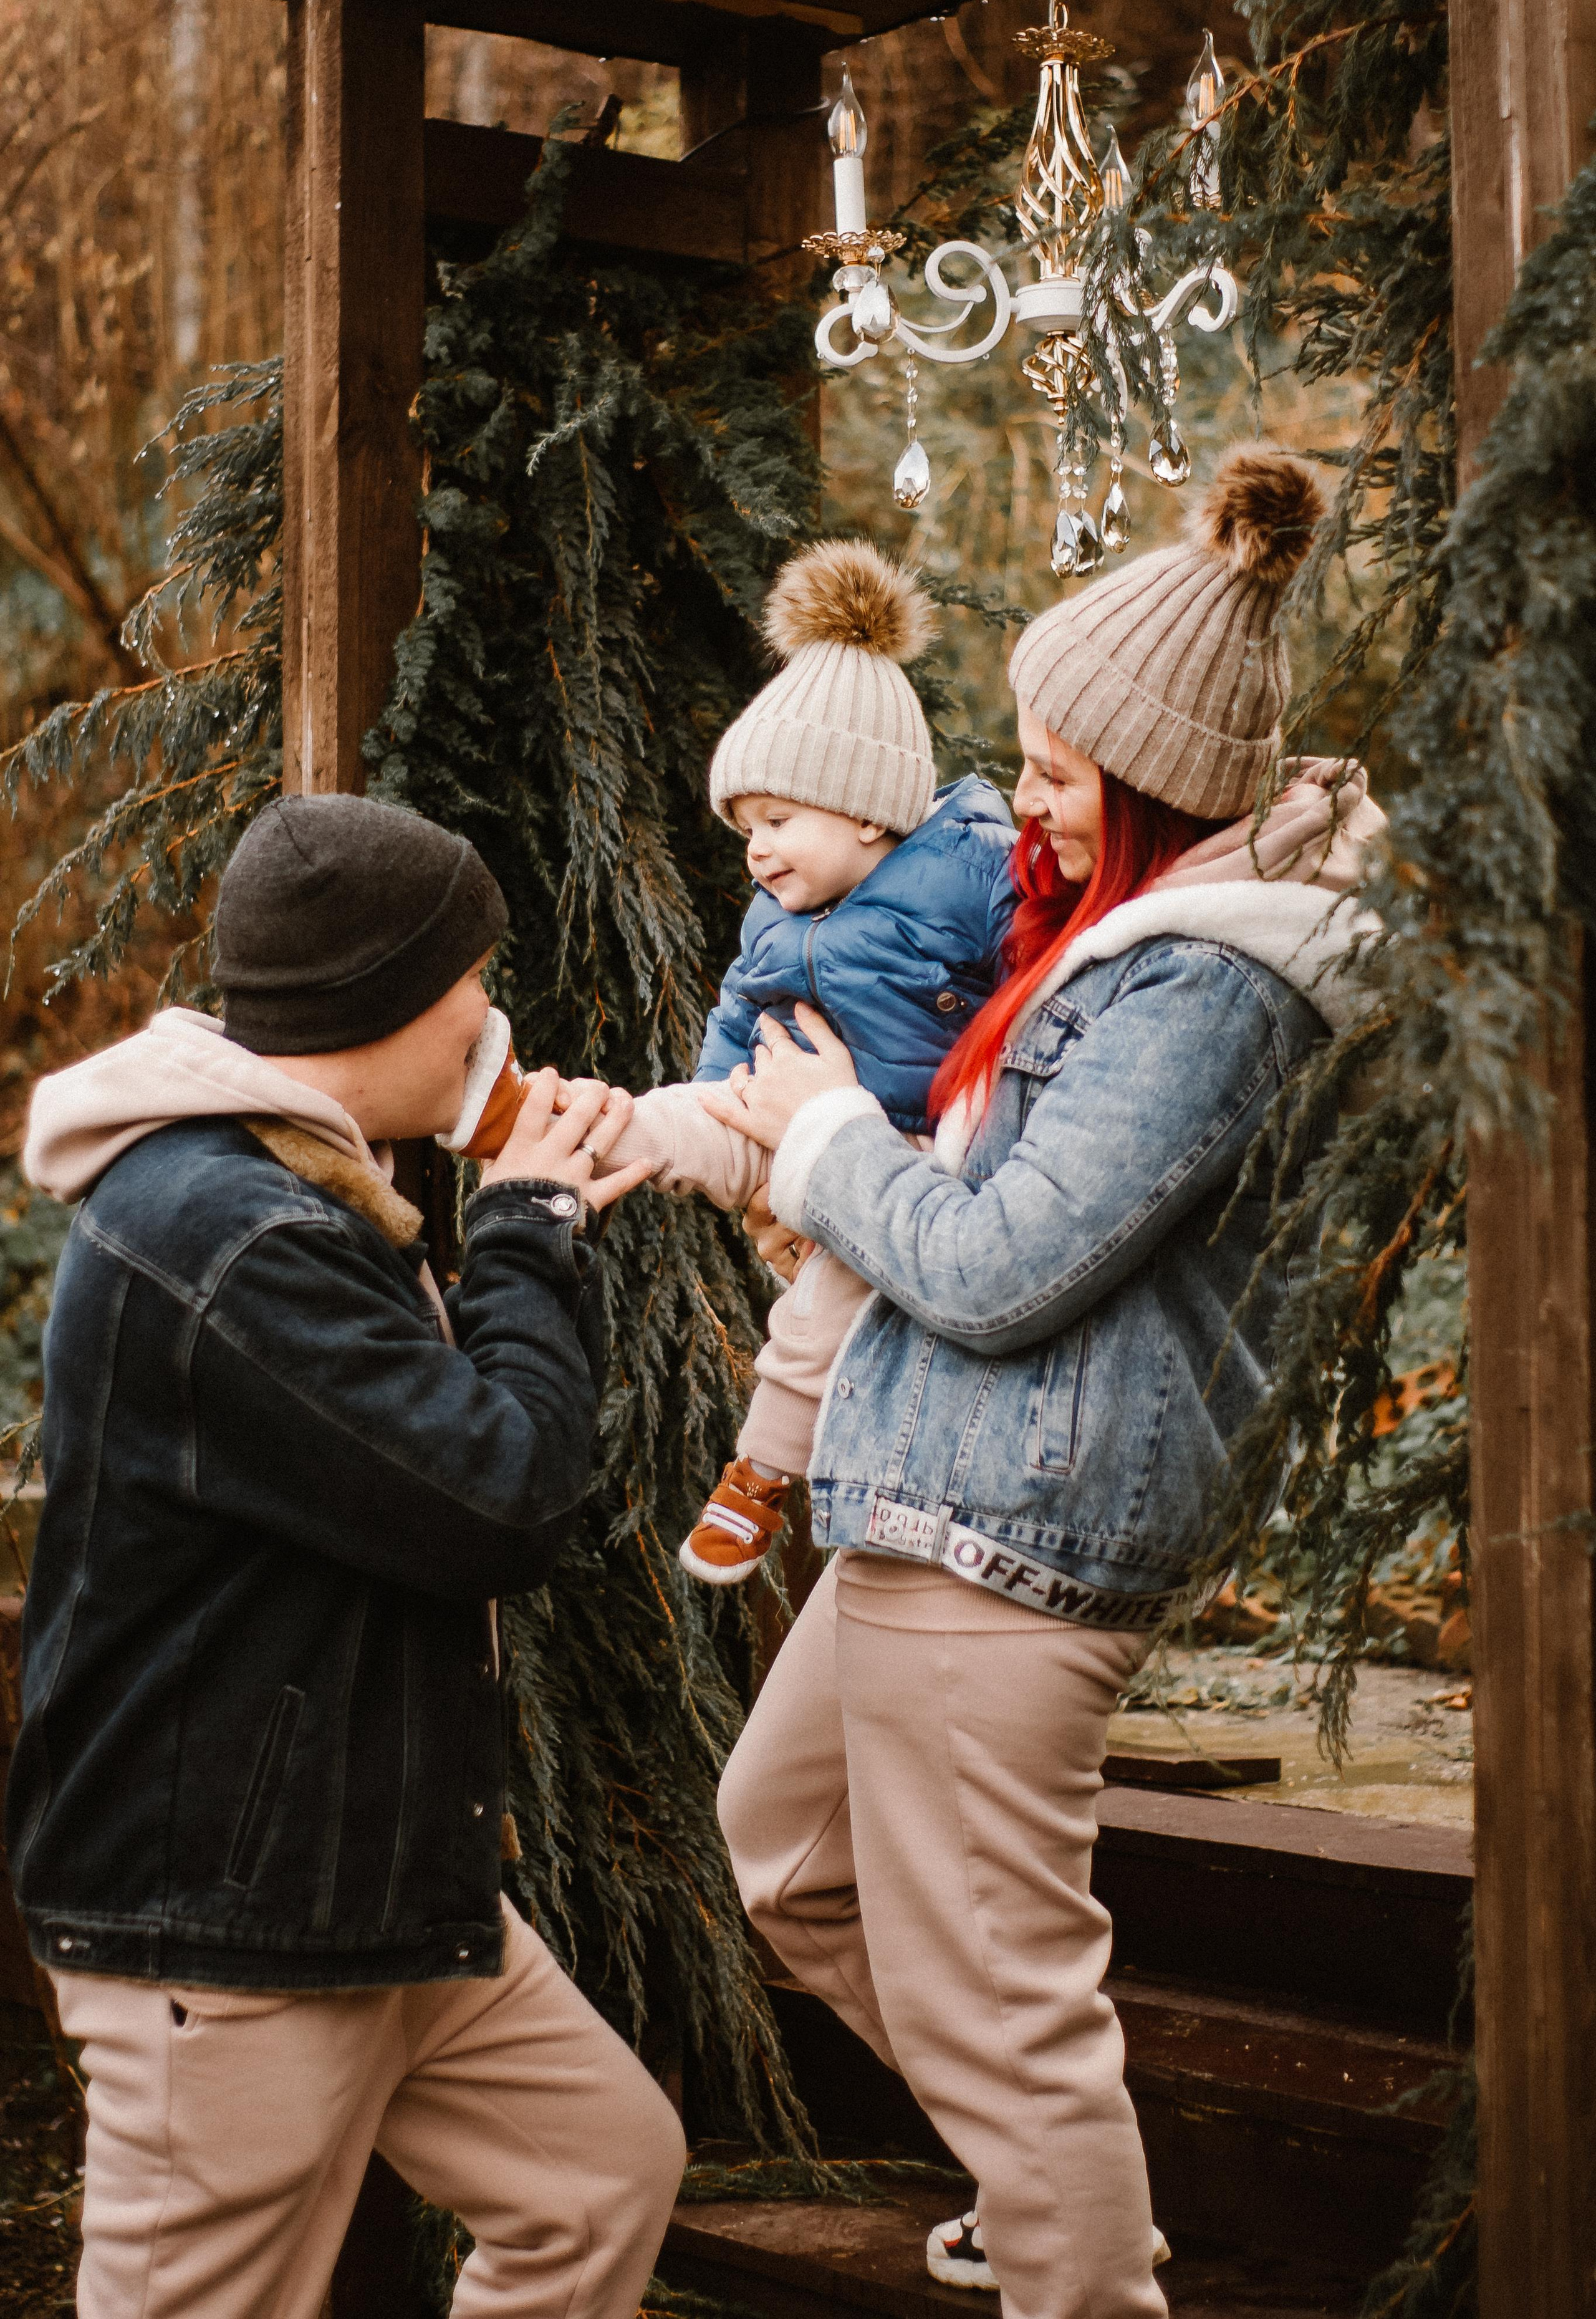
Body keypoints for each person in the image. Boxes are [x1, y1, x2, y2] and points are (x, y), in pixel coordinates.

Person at [702, 449, 1384, 2319]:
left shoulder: (1212, 993)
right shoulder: (1114, 942)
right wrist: (756, 1138)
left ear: (1156, 781)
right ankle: (1049, 2191)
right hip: (923, 1501)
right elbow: (951, 1192)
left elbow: (1000, 1268)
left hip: (1016, 1532)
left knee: (1002, 1997)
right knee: (791, 1860)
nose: (1035, 800)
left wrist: (835, 1141)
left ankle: (1078, 2266)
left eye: (1067, 768)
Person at [8, 794, 680, 2319]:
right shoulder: (226, 1230)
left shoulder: (283, 1181)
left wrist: (529, 1212)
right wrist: (526, 1225)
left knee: (599, 2182)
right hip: (228, 1930)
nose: (488, 1017)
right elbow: (496, 1495)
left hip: (373, 1890)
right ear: (380, 998)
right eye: (470, 979)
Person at [600, 539, 1014, 1588]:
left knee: (820, 1309)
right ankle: (589, 1130)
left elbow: (1039, 974)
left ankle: (762, 1469)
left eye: (778, 820)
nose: (756, 848)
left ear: (870, 808)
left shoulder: (972, 873)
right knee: (681, 1113)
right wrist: (711, 1104)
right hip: (780, 1112)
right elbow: (740, 1016)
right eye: (745, 827)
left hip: (904, 1148)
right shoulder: (774, 915)